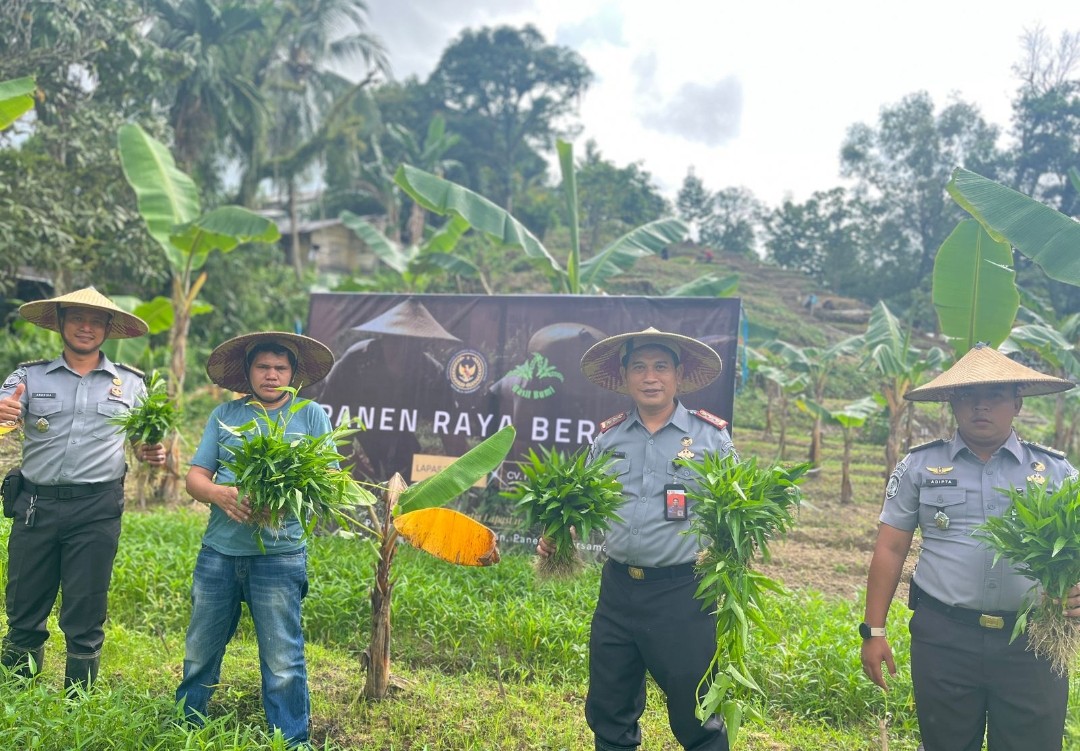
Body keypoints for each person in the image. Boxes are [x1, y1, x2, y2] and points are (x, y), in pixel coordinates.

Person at [861, 343, 1080, 751]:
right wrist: (873, 631)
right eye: (968, 396)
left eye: (995, 395)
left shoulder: (1054, 472)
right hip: (944, 638)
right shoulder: (920, 466)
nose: (981, 407)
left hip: (1032, 641)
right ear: (951, 403)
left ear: (1017, 402)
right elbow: (890, 548)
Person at [541, 326, 735, 751]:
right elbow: (582, 507)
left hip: (683, 595)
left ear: (678, 375)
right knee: (609, 709)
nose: (651, 377)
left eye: (661, 367)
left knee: (698, 715)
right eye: (640, 368)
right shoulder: (607, 439)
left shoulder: (711, 438)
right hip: (617, 593)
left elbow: (735, 513)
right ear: (626, 377)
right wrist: (559, 536)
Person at [0, 287, 166, 692]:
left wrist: (151, 452)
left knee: (86, 607)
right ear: (59, 322)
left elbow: (146, 442)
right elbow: (4, 413)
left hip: (97, 508)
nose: (85, 327)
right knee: (23, 604)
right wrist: (2, 414)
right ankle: (17, 697)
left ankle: (78, 701)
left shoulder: (131, 383)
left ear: (109, 328)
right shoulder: (28, 376)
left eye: (95, 321)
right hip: (36, 505)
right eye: (76, 317)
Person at [175, 332, 335, 749]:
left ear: (293, 374)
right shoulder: (225, 414)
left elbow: (329, 482)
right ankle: (185, 727)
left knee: (283, 660)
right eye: (263, 367)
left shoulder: (310, 415)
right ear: (247, 372)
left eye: (280, 368)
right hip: (220, 552)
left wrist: (286, 504)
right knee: (200, 650)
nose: (271, 375)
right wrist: (219, 494)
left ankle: (291, 740)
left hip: (280, 558)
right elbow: (195, 477)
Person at [311, 298, 468, 483]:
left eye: (410, 343)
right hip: (358, 432)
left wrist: (464, 478)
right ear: (383, 338)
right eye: (394, 340)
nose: (401, 349)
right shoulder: (356, 362)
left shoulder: (432, 374)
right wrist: (358, 473)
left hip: (404, 442)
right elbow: (326, 424)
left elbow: (453, 435)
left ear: (420, 345)